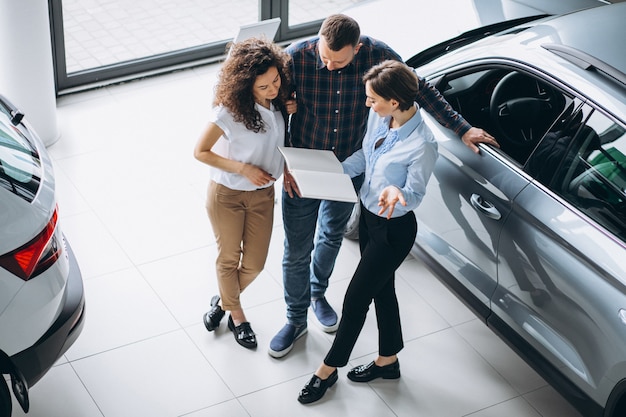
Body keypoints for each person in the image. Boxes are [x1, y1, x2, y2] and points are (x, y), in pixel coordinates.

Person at [268, 13, 496, 358]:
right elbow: (267, 104)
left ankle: (317, 293)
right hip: (305, 165)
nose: (329, 66)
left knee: (331, 234)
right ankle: (294, 317)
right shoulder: (297, 57)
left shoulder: (378, 56)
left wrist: (461, 127)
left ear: (357, 49)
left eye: (339, 61)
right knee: (296, 248)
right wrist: (282, 149)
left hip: (350, 163)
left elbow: (418, 90)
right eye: (324, 58)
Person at [298, 60, 438, 404]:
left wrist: (398, 193)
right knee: (381, 291)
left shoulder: (423, 144)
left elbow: (415, 195)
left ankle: (328, 370)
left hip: (394, 229)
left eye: (372, 99)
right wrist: (335, 173)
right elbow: (366, 154)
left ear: (394, 101)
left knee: (356, 298)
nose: (367, 104)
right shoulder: (381, 116)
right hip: (370, 220)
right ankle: (388, 360)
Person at [193, 37, 294, 349]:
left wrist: (286, 165)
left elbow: (278, 143)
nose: (272, 89)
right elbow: (200, 152)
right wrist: (242, 168)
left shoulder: (280, 102)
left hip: (263, 194)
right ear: (245, 84)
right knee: (228, 259)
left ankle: (221, 301)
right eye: (263, 87)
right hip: (228, 194)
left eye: (275, 81)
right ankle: (237, 315)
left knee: (255, 264)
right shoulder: (229, 112)